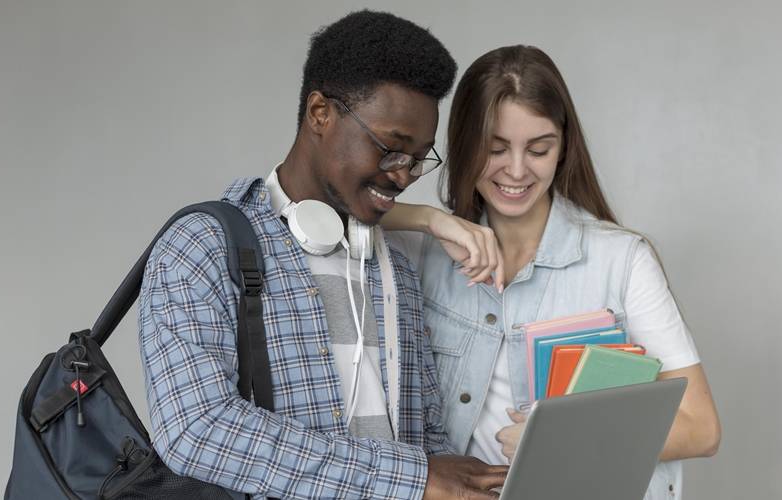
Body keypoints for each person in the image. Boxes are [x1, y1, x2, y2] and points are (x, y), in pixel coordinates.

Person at [138, 11, 508, 500]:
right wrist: (412, 478)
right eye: (391, 149)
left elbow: (425, 436)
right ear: (320, 113)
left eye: (419, 159)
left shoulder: (394, 264)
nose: (403, 175)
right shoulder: (200, 248)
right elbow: (197, 430)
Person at [383, 45, 721, 500]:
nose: (516, 170)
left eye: (538, 149)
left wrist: (560, 441)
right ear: (464, 145)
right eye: (495, 149)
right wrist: (428, 218)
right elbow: (326, 211)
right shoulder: (424, 251)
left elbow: (701, 428)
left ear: (562, 149)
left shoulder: (622, 260)